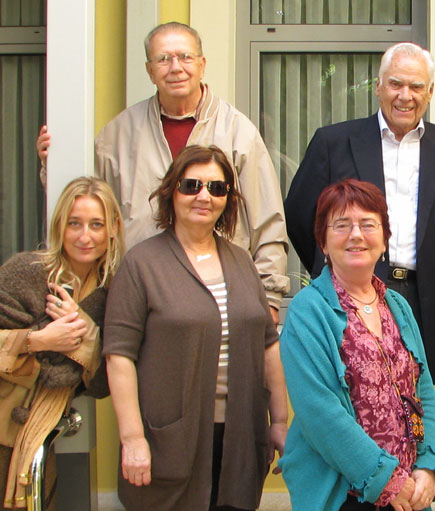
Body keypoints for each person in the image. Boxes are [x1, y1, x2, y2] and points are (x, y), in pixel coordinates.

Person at [103, 145, 288, 511]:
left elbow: (268, 344)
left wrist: (279, 421)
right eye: (192, 185)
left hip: (238, 440)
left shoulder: (242, 262)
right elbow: (119, 355)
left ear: (229, 199)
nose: (204, 195)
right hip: (167, 442)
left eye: (217, 187)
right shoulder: (141, 264)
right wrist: (132, 439)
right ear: (172, 192)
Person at [37, 21, 288, 323]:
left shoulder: (238, 132)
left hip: (222, 294)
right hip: (139, 296)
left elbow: (268, 222)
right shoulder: (118, 134)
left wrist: (270, 300)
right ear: (149, 70)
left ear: (202, 64)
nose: (175, 67)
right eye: (164, 59)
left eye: (185, 57)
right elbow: (85, 205)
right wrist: (52, 165)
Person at [279, 179, 435, 511]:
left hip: (403, 500)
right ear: (323, 240)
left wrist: (426, 464)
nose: (356, 234)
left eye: (368, 224)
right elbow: (321, 416)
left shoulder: (398, 305)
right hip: (344, 498)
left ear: (384, 238)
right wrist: (390, 481)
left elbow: (422, 391)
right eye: (342, 225)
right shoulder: (308, 311)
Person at [284, 42, 435, 383]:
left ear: (430, 92)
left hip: (424, 298)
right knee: (351, 392)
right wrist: (336, 264)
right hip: (350, 291)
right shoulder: (333, 142)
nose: (406, 96)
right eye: (395, 84)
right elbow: (302, 217)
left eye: (416, 86)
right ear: (377, 87)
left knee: (416, 398)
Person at [0, 177, 124, 511]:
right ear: (59, 226)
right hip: (5, 419)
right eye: (74, 223)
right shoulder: (24, 272)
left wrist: (86, 334)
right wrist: (41, 340)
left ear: (112, 231)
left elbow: (109, 381)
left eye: (95, 224)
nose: (84, 236)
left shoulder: (113, 296)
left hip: (44, 429)